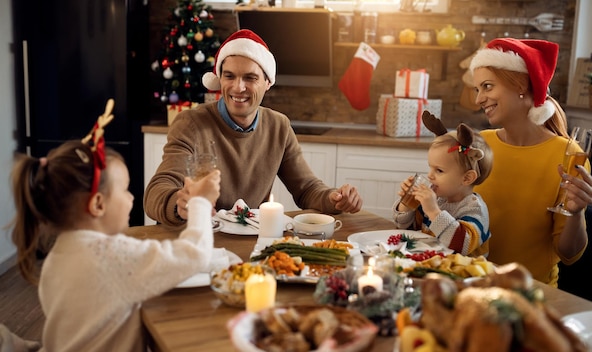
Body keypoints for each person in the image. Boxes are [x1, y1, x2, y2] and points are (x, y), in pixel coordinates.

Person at [9, 102, 223, 351]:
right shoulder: (112, 255)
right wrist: (199, 202)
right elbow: (194, 255)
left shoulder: (54, 259)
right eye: (124, 190)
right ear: (98, 204)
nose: (132, 197)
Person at [144, 29, 362, 227]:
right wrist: (179, 205)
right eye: (229, 76)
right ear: (220, 79)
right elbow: (157, 190)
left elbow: (306, 189)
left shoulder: (279, 126)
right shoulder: (190, 124)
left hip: (249, 244)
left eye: (250, 78)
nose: (238, 87)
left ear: (267, 83)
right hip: (196, 241)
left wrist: (336, 198)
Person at [469, 38, 592, 286]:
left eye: (487, 87)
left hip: (532, 292)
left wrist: (576, 212)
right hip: (472, 282)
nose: (479, 99)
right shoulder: (479, 145)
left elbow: (569, 255)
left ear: (522, 86)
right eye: (478, 89)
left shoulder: (568, 155)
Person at [393, 117, 493, 257]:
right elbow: (406, 229)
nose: (430, 175)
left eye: (439, 170)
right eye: (430, 167)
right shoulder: (438, 199)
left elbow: (461, 245)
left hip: (463, 274)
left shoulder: (474, 210)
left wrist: (433, 211)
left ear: (466, 178)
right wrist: (406, 203)